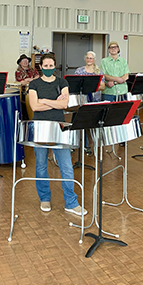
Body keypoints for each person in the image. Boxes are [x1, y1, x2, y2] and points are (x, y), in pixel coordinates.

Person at [28, 54, 85, 216]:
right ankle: (44, 198)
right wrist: (53, 102)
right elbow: (34, 106)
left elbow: (64, 104)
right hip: (40, 128)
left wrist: (44, 100)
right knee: (40, 165)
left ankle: (71, 202)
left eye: (51, 65)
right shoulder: (34, 83)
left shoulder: (62, 82)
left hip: (59, 127)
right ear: (41, 67)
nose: (48, 68)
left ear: (55, 66)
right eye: (45, 66)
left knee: (66, 166)